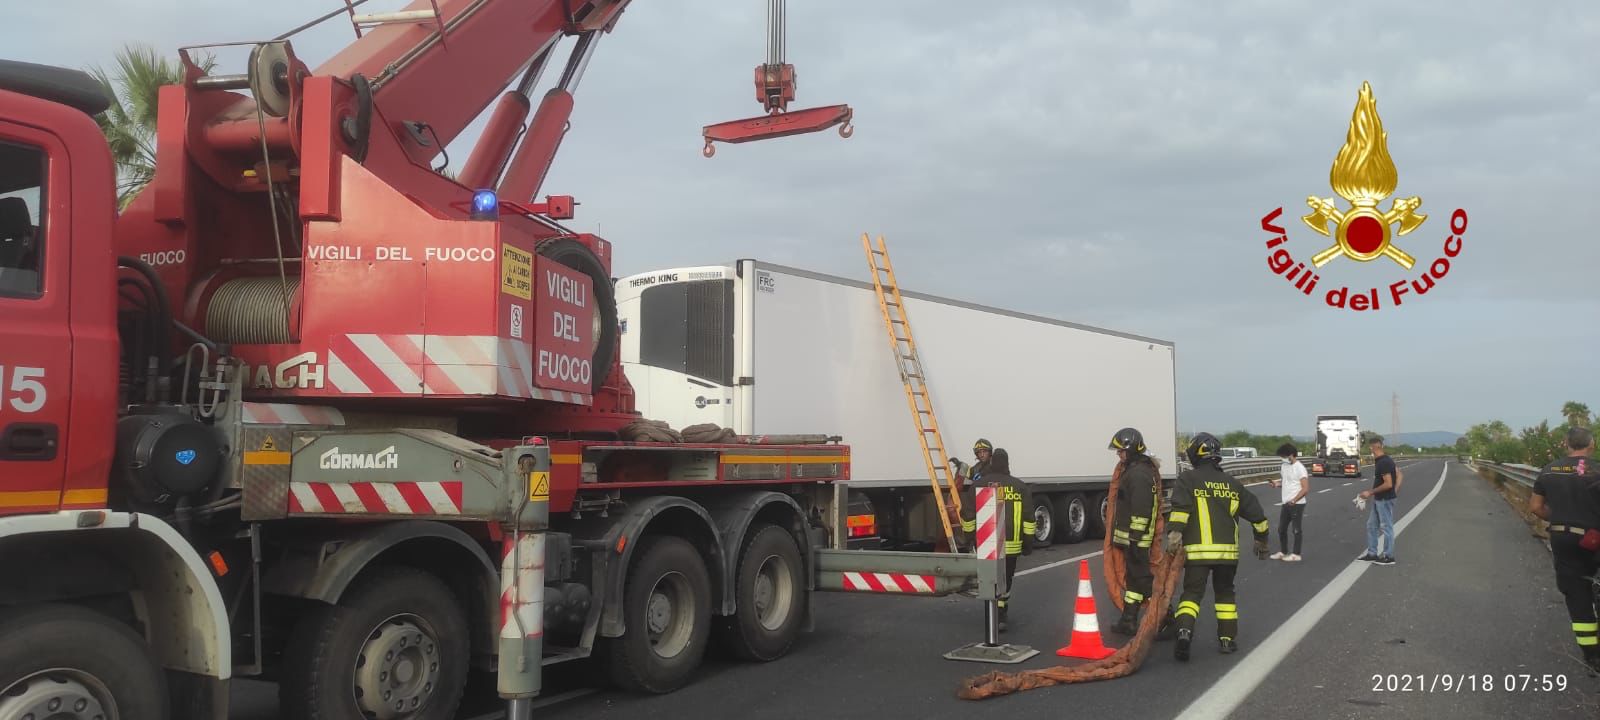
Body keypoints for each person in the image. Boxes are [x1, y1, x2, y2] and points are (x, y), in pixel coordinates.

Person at [1164, 432, 1270, 660]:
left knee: (1192, 594)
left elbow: (1181, 510)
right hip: (1227, 554)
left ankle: (1184, 632)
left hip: (1197, 552)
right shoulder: (1233, 484)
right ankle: (1227, 640)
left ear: (1195, 453)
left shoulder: (1188, 479)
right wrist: (1262, 541)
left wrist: (1174, 536)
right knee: (1225, 594)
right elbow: (1258, 516)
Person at [1528, 427, 1600, 672]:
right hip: (1595, 538)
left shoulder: (1549, 470)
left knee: (1576, 595)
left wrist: (1558, 517)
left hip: (1562, 538)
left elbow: (1536, 507)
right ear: (1591, 445)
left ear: (1565, 444)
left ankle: (1592, 657)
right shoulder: (1597, 469)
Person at [959, 447, 1034, 632]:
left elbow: (967, 515)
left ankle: (992, 611)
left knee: (989, 576)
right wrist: (1028, 544)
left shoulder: (979, 486)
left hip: (987, 544)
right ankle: (1001, 612)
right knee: (1006, 577)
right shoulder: (1020, 487)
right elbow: (1029, 519)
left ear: (991, 463)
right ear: (1007, 464)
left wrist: (969, 538)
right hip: (1012, 545)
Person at [1107, 427, 1162, 635]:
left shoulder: (1138, 474)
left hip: (1136, 540)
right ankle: (1128, 620)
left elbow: (1141, 509)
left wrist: (1136, 537)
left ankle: (1168, 619)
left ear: (1131, 449)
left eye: (1121, 450)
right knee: (1133, 580)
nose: (1118, 454)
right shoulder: (1136, 470)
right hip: (1132, 539)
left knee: (1144, 581)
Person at [1358, 436, 1399, 565]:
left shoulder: (1383, 463)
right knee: (1371, 525)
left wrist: (1369, 492)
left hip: (1384, 500)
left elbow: (1388, 484)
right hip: (1380, 499)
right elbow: (1398, 476)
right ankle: (1372, 553)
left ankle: (1388, 556)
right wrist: (1393, 492)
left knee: (1387, 527)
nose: (1370, 450)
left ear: (1373, 447)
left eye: (1370, 447)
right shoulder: (1383, 461)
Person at [1270, 442, 1309, 561]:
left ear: (1291, 455)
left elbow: (1305, 488)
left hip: (1297, 503)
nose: (1283, 459)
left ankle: (1296, 554)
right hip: (1285, 502)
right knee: (1281, 529)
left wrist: (1294, 500)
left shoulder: (1300, 468)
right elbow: (1287, 482)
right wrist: (1277, 484)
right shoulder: (1284, 466)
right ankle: (1283, 551)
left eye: (1284, 456)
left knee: (1296, 529)